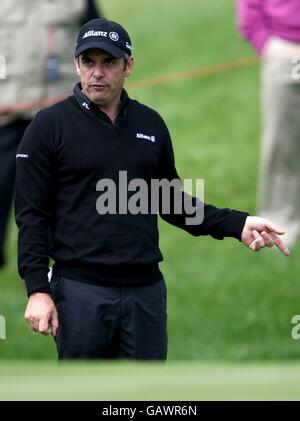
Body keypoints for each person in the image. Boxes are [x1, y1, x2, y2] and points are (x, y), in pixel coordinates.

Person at [15, 18, 290, 360]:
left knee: (148, 398)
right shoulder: (47, 127)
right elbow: (31, 215)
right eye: (88, 62)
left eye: (108, 62)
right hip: (80, 292)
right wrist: (38, 290)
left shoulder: (150, 125)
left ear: (128, 66)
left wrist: (237, 224)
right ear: (77, 65)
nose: (97, 73)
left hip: (144, 294)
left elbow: (170, 201)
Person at [0, 0, 101, 268]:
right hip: (6, 113)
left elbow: (99, 38)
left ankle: (75, 263)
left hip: (61, 115)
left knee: (69, 196)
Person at [237, 0, 300, 248]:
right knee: (281, 143)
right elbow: (248, 14)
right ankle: (279, 226)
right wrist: (268, 45)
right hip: (284, 52)